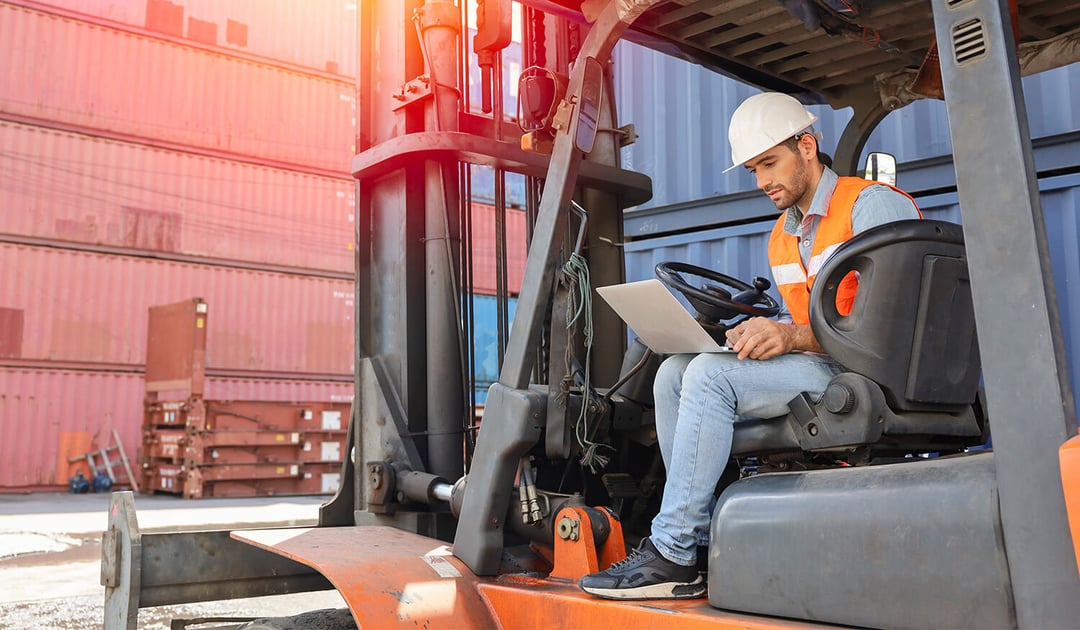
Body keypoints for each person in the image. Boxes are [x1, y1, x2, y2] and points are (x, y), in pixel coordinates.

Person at [578, 92, 922, 600]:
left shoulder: (868, 205)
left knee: (708, 378)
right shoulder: (784, 234)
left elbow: (894, 318)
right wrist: (756, 332)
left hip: (867, 370)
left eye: (769, 163)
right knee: (677, 370)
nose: (762, 181)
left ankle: (671, 548)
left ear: (807, 147)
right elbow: (808, 313)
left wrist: (789, 336)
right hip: (822, 361)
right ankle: (692, 543)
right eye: (753, 170)